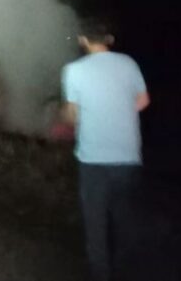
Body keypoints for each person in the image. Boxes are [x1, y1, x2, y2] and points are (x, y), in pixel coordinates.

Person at [61, 19, 150, 281]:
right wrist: (117, 110)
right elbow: (143, 101)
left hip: (93, 161)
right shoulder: (129, 64)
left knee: (96, 225)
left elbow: (72, 116)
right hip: (128, 158)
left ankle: (102, 275)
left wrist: (66, 115)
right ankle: (126, 271)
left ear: (82, 40)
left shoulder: (74, 70)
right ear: (109, 39)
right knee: (124, 218)